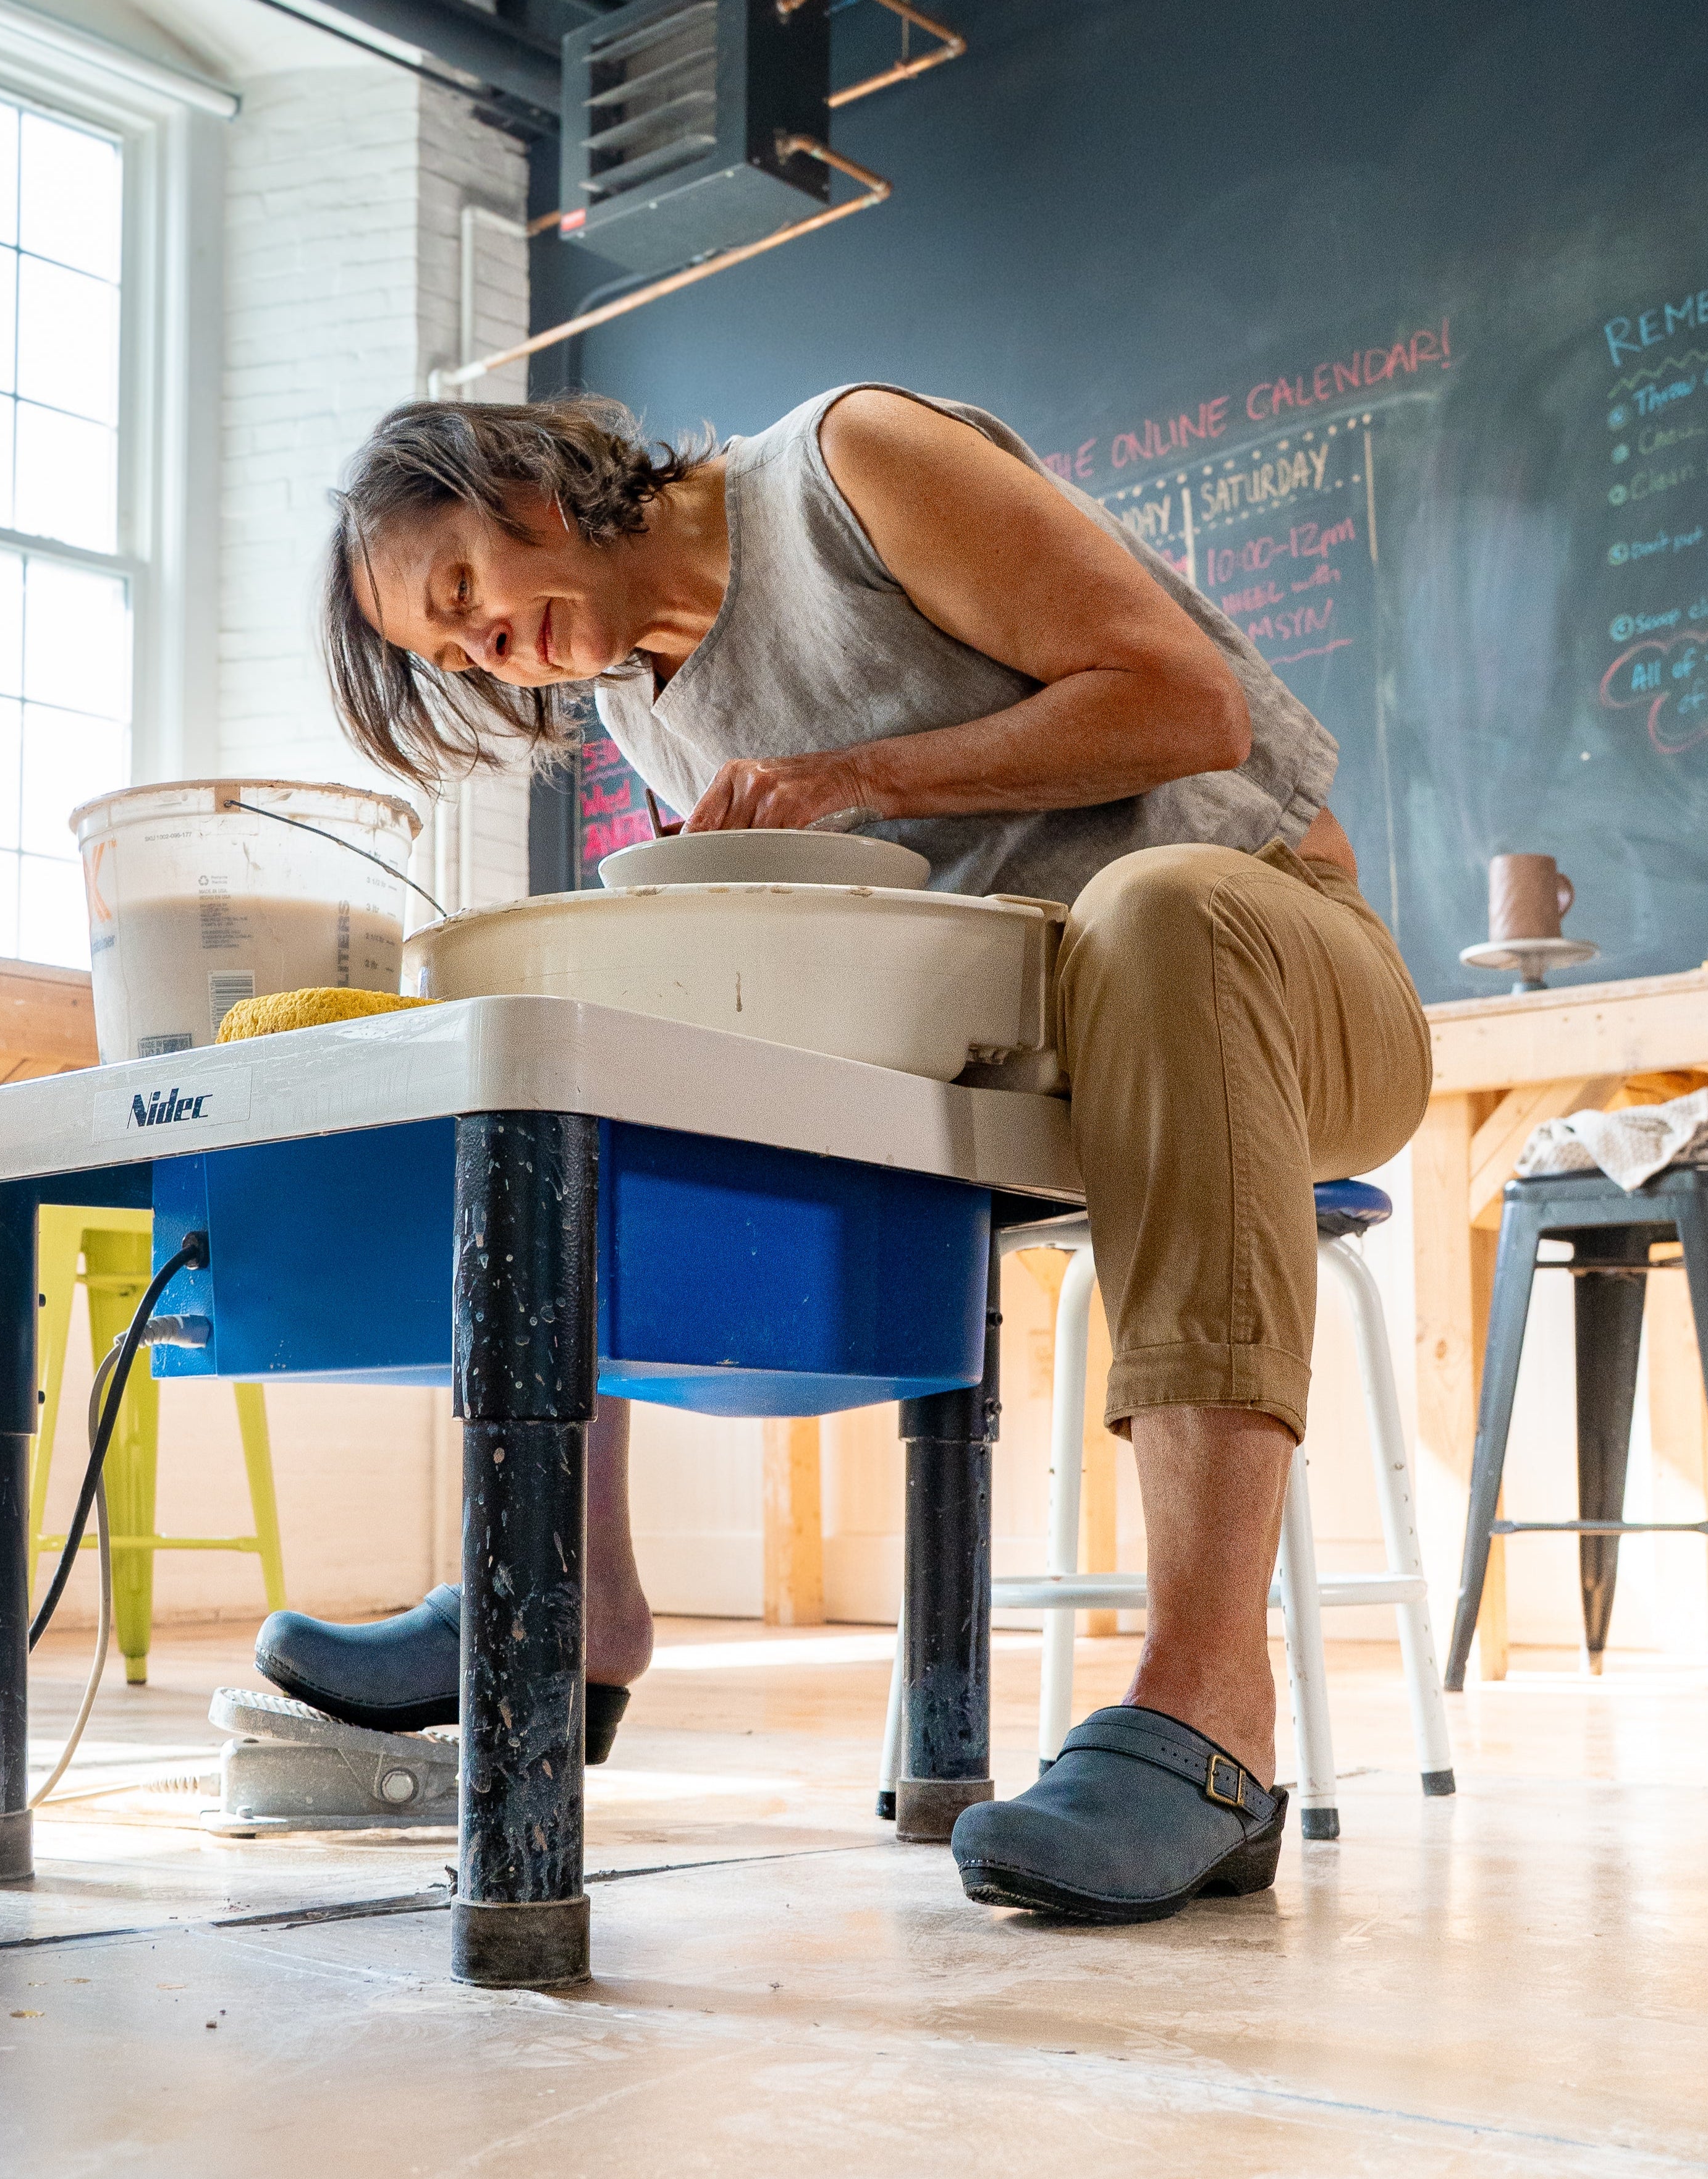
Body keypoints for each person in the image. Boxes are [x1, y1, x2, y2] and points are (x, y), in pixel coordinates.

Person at [254, 384, 1430, 1924]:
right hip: (1012, 1064)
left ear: (524, 476)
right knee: (602, 1035)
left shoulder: (845, 467)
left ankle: (1209, 1717)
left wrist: (861, 775)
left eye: (464, 587)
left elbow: (1183, 706)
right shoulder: (639, 707)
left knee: (1154, 911)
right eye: (454, 654)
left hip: (1269, 971)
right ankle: (558, 1599)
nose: (486, 650)